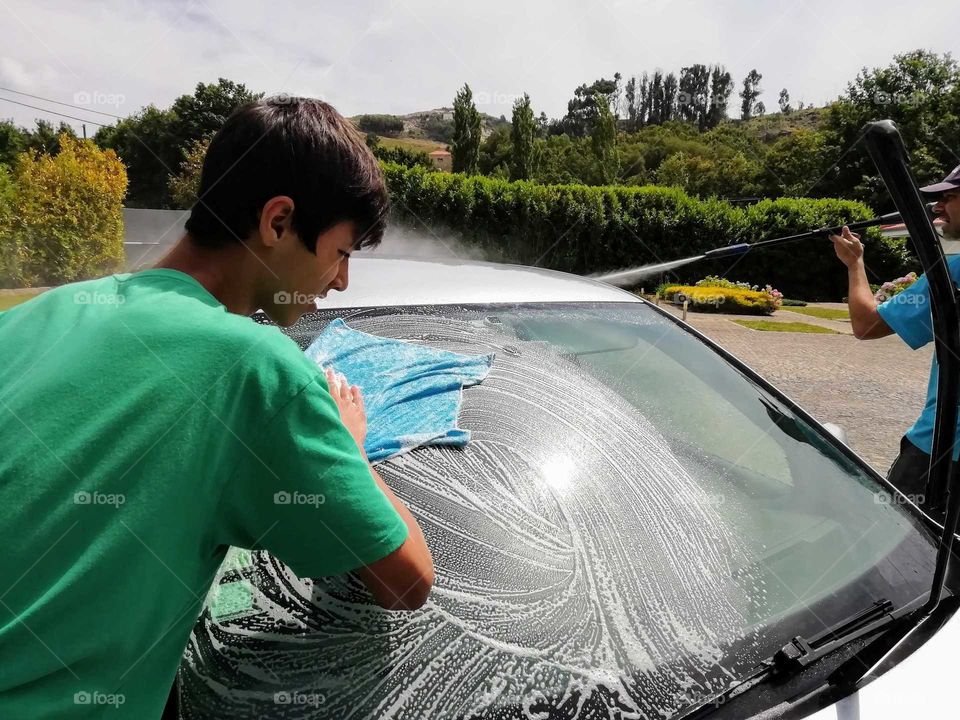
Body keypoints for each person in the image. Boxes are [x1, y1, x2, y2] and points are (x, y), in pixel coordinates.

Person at [0, 97, 434, 718]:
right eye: (342, 252)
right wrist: (351, 450)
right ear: (279, 222)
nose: (340, 282)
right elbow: (407, 579)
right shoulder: (258, 369)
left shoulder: (39, 314)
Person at [830, 164, 960, 520]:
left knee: (898, 557)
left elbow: (867, 325)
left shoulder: (955, 272)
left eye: (948, 197)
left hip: (942, 454)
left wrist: (855, 264)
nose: (937, 207)